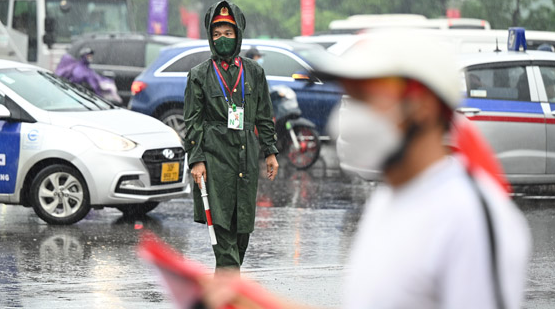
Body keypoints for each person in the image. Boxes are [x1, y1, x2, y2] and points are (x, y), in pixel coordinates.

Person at [198, 32, 531, 309]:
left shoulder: (469, 218)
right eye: (349, 97)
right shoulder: (389, 199)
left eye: (366, 99)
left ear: (423, 107)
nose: (350, 114)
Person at [184, 1, 279, 271]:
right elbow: (192, 122)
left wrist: (270, 151)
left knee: (241, 233)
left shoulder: (254, 72)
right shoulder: (199, 75)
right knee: (222, 231)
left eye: (228, 33)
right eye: (216, 34)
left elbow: (263, 115)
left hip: (245, 158)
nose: (222, 39)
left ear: (238, 34)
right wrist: (196, 159)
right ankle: (230, 291)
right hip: (214, 159)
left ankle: (223, 291)